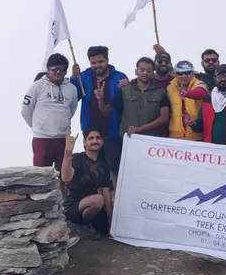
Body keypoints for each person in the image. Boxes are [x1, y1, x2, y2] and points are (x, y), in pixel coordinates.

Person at [100, 57, 170, 186]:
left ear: (153, 73)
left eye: (148, 71)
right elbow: (106, 112)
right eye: (142, 70)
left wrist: (140, 129)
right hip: (129, 143)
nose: (145, 73)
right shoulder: (124, 90)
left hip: (151, 144)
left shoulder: (161, 92)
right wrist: (100, 98)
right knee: (128, 176)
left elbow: (164, 118)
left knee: (150, 177)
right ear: (136, 71)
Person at [70, 46, 130, 179]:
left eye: (101, 62)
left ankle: (114, 199)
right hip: (90, 132)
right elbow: (73, 97)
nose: (97, 65)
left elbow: (129, 100)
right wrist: (74, 78)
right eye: (93, 63)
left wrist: (131, 86)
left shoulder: (120, 77)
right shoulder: (84, 77)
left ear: (107, 60)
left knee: (114, 170)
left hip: (113, 132)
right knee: (92, 170)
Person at [22, 53, 79, 171]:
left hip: (64, 139)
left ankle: (63, 191)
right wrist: (38, 127)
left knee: (64, 176)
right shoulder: (37, 86)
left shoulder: (72, 88)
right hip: (42, 139)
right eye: (55, 69)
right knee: (40, 176)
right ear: (48, 70)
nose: (58, 72)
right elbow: (25, 110)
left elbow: (72, 110)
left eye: (62, 69)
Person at [61, 129, 111, 239]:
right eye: (91, 138)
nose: (95, 141)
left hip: (92, 208)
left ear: (102, 141)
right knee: (98, 199)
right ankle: (82, 225)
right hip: (73, 206)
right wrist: (67, 152)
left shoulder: (103, 165)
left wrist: (110, 222)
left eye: (98, 138)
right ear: (84, 142)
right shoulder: (77, 158)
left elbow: (106, 193)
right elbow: (66, 177)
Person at [166, 60, 209, 140]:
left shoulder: (200, 84)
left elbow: (201, 93)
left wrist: (187, 93)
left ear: (193, 73)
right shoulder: (169, 88)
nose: (184, 76)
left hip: (196, 136)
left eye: (187, 72)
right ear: (175, 74)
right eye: (180, 73)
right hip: (174, 137)